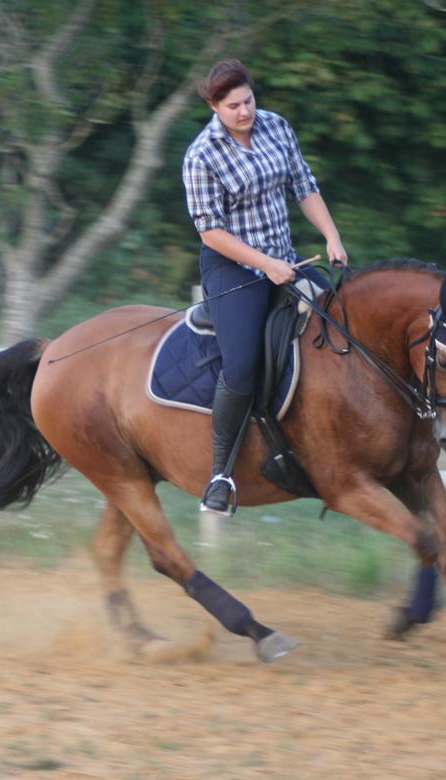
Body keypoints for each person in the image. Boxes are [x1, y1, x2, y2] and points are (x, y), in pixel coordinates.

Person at [183, 59, 347, 515]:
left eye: (248, 100)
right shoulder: (201, 156)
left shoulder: (276, 126)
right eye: (233, 106)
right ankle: (220, 475)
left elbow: (304, 186)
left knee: (338, 320)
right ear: (214, 107)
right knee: (241, 366)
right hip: (233, 269)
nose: (244, 112)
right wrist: (265, 265)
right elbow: (210, 232)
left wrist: (331, 237)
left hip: (286, 259)